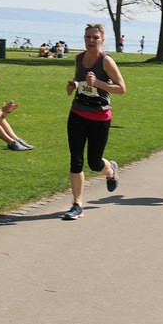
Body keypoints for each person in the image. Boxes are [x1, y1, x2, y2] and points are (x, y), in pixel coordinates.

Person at [61, 23, 126, 220]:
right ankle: (77, 204)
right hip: (77, 114)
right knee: (76, 160)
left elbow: (122, 88)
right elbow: (79, 79)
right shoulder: (79, 58)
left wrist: (97, 83)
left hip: (99, 118)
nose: (91, 41)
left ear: (102, 40)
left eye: (95, 38)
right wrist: (73, 85)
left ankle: (110, 169)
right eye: (88, 37)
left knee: (94, 162)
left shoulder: (106, 61)